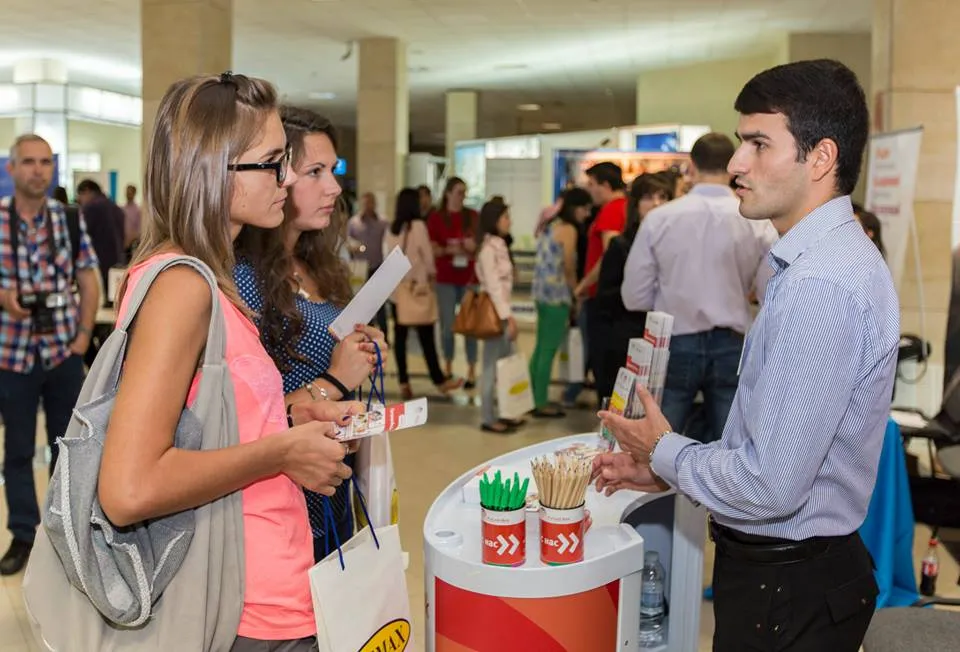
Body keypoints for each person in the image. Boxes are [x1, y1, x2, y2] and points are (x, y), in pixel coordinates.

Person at [596, 59, 899, 651]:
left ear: (820, 158)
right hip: (795, 578)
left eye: (759, 144)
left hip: (787, 589)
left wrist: (664, 449)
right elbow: (768, 454)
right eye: (741, 143)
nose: (737, 164)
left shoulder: (821, 284)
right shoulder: (818, 262)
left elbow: (770, 488)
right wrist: (669, 470)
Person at [100, 72, 355, 650]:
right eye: (273, 163)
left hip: (266, 589)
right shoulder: (182, 287)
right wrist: (282, 450)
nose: (287, 178)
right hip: (242, 606)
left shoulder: (210, 280)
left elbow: (211, 432)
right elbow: (129, 487)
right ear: (215, 169)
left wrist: (292, 420)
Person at [234, 105, 388, 562]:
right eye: (315, 172)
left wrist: (358, 352)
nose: (335, 187)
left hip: (329, 484)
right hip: (282, 506)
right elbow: (251, 425)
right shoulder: (243, 280)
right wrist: (337, 380)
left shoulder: (314, 263)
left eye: (333, 170)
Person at [622, 133, 774, 443]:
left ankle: (659, 492)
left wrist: (669, 297)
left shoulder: (660, 218)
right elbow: (769, 291)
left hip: (674, 340)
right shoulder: (757, 221)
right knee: (730, 448)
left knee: (658, 444)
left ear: (691, 166)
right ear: (733, 166)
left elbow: (634, 296)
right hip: (733, 343)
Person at [0, 134, 100, 576]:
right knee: (18, 451)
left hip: (62, 351)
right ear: (11, 168)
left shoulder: (69, 219)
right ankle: (24, 534)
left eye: (45, 162)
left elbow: (90, 279)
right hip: (12, 356)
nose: (38, 170)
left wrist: (82, 338)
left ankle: (65, 537)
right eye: (28, 162)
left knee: (70, 448)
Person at [593, 174, 672, 400]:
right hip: (625, 341)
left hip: (664, 343)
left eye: (663, 196)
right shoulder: (621, 245)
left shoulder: (676, 243)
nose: (656, 203)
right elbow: (605, 301)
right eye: (648, 197)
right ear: (635, 204)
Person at [386, 187, 462, 400]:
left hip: (398, 291)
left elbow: (388, 257)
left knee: (400, 338)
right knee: (427, 337)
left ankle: (403, 382)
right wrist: (431, 274)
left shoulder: (392, 229)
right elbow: (428, 257)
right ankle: (439, 380)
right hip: (418, 289)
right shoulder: (418, 226)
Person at [528, 187, 592, 418]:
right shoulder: (569, 230)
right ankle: (541, 402)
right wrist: (576, 292)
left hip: (541, 294)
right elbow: (568, 265)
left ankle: (532, 396)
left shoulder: (551, 225)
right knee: (548, 349)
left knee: (540, 346)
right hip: (557, 297)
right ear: (576, 208)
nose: (587, 214)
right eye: (585, 209)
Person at [574, 162, 628, 408]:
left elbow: (608, 258)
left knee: (603, 365)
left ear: (606, 185)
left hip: (601, 299)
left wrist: (583, 285)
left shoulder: (611, 210)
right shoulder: (626, 207)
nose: (590, 190)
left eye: (593, 184)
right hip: (615, 300)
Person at [427, 176, 480, 387]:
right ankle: (447, 365)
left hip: (469, 278)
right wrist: (452, 248)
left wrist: (470, 246)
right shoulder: (437, 218)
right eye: (459, 192)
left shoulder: (473, 216)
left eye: (464, 192)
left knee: (470, 326)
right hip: (446, 278)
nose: (462, 196)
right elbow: (433, 248)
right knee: (447, 325)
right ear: (448, 193)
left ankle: (471, 369)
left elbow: (479, 244)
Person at [475, 199, 519, 433]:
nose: (509, 221)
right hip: (496, 315)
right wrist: (507, 317)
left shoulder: (499, 245)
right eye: (505, 217)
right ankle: (488, 417)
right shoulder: (488, 250)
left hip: (503, 312)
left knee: (505, 366)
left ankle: (507, 411)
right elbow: (493, 287)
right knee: (491, 367)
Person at [348, 191, 389, 337]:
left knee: (381, 303)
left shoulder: (383, 222)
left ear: (375, 204)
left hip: (378, 266)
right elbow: (349, 243)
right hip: (361, 267)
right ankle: (369, 333)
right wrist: (355, 247)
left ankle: (384, 333)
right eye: (365, 203)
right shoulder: (354, 223)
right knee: (365, 303)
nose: (368, 206)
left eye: (370, 202)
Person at [76, 178, 126, 291]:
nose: (79, 199)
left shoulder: (91, 208)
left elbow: (82, 234)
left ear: (88, 191)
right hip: (117, 258)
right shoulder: (115, 207)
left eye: (80, 194)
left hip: (98, 260)